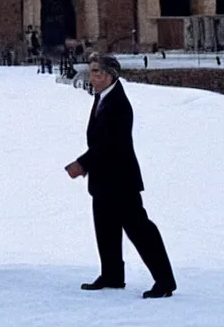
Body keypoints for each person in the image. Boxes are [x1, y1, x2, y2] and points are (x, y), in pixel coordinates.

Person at [64, 53, 177, 299]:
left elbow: (110, 144)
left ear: (108, 76)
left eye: (95, 72)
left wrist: (82, 164)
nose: (91, 77)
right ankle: (112, 275)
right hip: (104, 181)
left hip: (121, 182)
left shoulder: (118, 104)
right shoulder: (103, 98)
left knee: (140, 230)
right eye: (91, 71)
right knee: (106, 229)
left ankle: (165, 281)